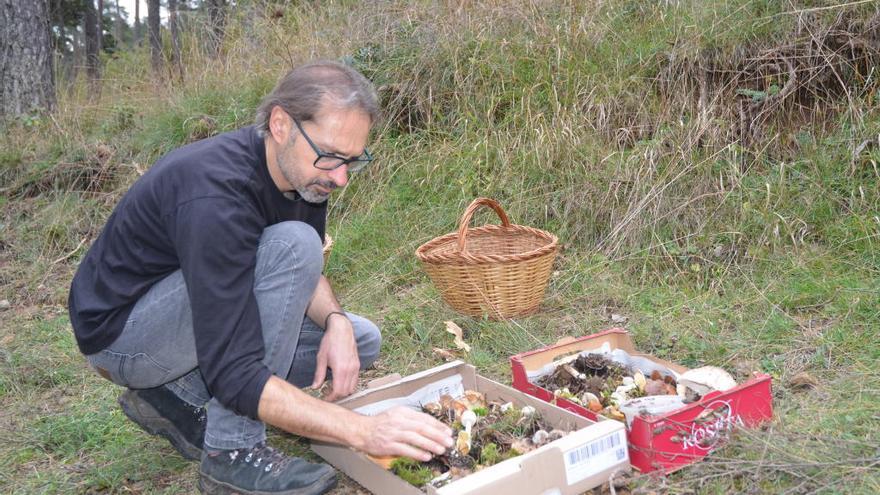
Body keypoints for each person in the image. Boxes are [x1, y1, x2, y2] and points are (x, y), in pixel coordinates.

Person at [68, 60, 453, 495]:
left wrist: (336, 322)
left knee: (360, 340)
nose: (340, 177)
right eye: (330, 156)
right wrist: (364, 431)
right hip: (125, 337)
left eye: (351, 160)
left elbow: (305, 274)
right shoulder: (216, 194)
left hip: (194, 311)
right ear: (281, 124)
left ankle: (177, 395)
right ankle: (232, 453)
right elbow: (237, 369)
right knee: (295, 244)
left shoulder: (304, 172)